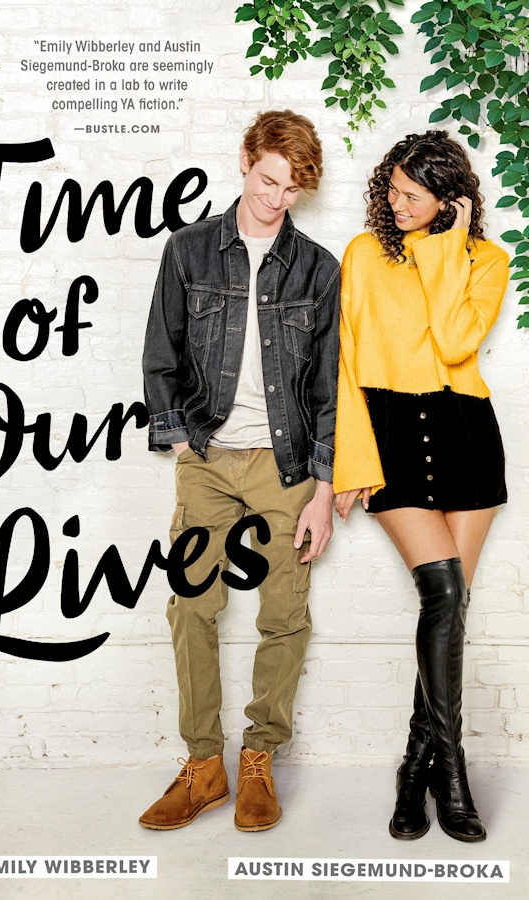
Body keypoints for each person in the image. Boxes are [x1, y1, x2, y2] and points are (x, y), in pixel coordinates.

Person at [140, 110, 340, 831]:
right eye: (267, 179)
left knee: (284, 615)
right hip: (208, 462)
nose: (276, 197)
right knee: (192, 606)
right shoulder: (190, 251)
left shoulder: (318, 268)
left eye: (291, 188)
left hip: (286, 468)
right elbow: (160, 353)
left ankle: (259, 757)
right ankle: (202, 767)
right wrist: (183, 445)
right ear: (246, 161)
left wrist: (322, 490)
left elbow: (327, 387)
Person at [333, 130, 509, 843]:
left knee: (450, 608)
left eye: (411, 194)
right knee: (442, 591)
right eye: (392, 190)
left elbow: (456, 343)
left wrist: (447, 247)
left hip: (466, 432)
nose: (394, 203)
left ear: (448, 199)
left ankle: (416, 767)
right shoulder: (363, 254)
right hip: (392, 431)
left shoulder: (487, 260)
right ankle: (452, 770)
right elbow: (343, 360)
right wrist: (352, 464)